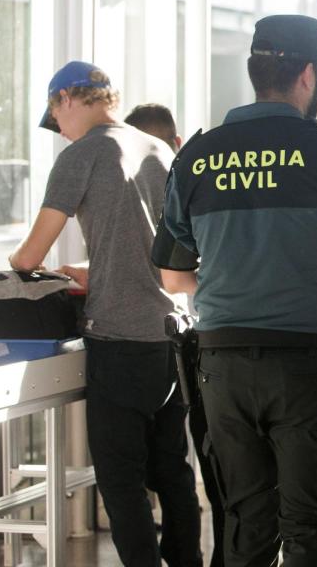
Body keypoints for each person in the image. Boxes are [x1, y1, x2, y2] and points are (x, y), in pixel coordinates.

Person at [152, 14, 317, 566]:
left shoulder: (197, 154)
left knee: (246, 526)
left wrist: (236, 282)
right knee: (311, 529)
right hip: (310, 368)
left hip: (223, 366)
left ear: (255, 70)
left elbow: (173, 277)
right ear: (309, 75)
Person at [10, 61, 202, 566]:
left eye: (57, 117)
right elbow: (161, 250)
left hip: (120, 341)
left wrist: (16, 265)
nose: (60, 131)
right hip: (174, 337)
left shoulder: (83, 155)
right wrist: (97, 271)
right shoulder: (158, 149)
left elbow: (29, 258)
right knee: (173, 471)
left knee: (120, 480)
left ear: (68, 98)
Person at [125, 103, 227, 567]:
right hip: (187, 338)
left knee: (210, 471)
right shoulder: (190, 174)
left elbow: (172, 273)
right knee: (180, 466)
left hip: (194, 342)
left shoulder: (180, 178)